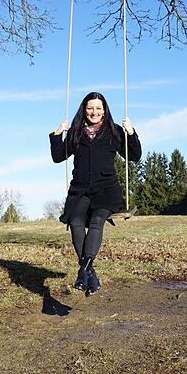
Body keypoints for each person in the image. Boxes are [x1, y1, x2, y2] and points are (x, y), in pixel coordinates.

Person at [49, 92, 142, 296]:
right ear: (84, 110)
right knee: (75, 221)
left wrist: (131, 132)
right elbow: (58, 156)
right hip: (80, 189)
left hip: (106, 190)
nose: (94, 112)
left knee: (97, 220)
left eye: (98, 108)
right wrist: (57, 134)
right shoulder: (76, 132)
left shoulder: (114, 131)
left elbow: (134, 156)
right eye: (90, 108)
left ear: (104, 110)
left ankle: (83, 270)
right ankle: (89, 274)